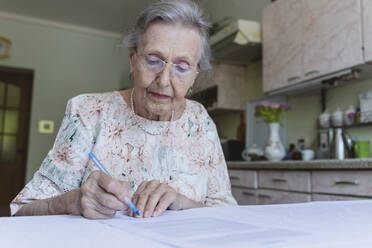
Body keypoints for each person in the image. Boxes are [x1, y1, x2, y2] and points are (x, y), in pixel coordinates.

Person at [10, 0, 237, 219]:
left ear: (194, 76)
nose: (164, 80)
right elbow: (21, 211)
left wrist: (182, 203)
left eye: (181, 66)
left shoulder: (200, 121)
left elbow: (227, 213)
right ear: (132, 60)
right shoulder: (89, 112)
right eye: (153, 60)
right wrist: (71, 202)